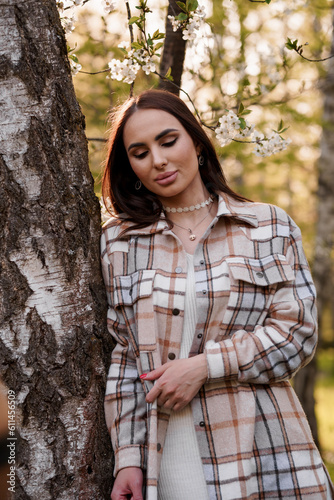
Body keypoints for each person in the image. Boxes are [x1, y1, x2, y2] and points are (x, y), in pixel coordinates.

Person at [100, 89, 333, 500]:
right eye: (140, 152)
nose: (158, 160)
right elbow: (125, 358)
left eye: (168, 141)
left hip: (264, 452)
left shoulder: (267, 226)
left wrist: (206, 366)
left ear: (197, 142)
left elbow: (298, 336)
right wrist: (128, 459)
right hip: (166, 461)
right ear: (131, 167)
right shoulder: (119, 243)